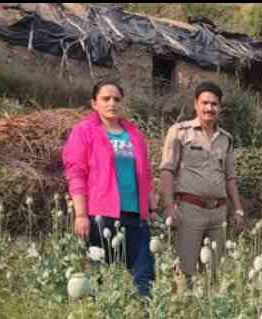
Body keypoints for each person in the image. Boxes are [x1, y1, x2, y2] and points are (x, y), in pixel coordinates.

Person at [63, 80, 156, 297]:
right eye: (106, 99)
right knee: (100, 276)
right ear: (94, 103)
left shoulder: (133, 134)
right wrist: (81, 214)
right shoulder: (84, 131)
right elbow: (76, 173)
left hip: (134, 215)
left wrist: (150, 206)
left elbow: (145, 174)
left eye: (117, 99)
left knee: (144, 273)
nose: (112, 103)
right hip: (100, 215)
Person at [160, 81, 244, 292]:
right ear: (195, 105)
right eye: (205, 103)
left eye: (214, 104)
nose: (209, 108)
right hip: (190, 211)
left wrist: (238, 209)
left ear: (220, 107)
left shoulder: (226, 139)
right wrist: (169, 207)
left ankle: (209, 315)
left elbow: (230, 176)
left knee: (214, 270)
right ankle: (183, 312)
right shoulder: (180, 132)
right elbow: (167, 170)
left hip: (218, 213)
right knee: (185, 270)